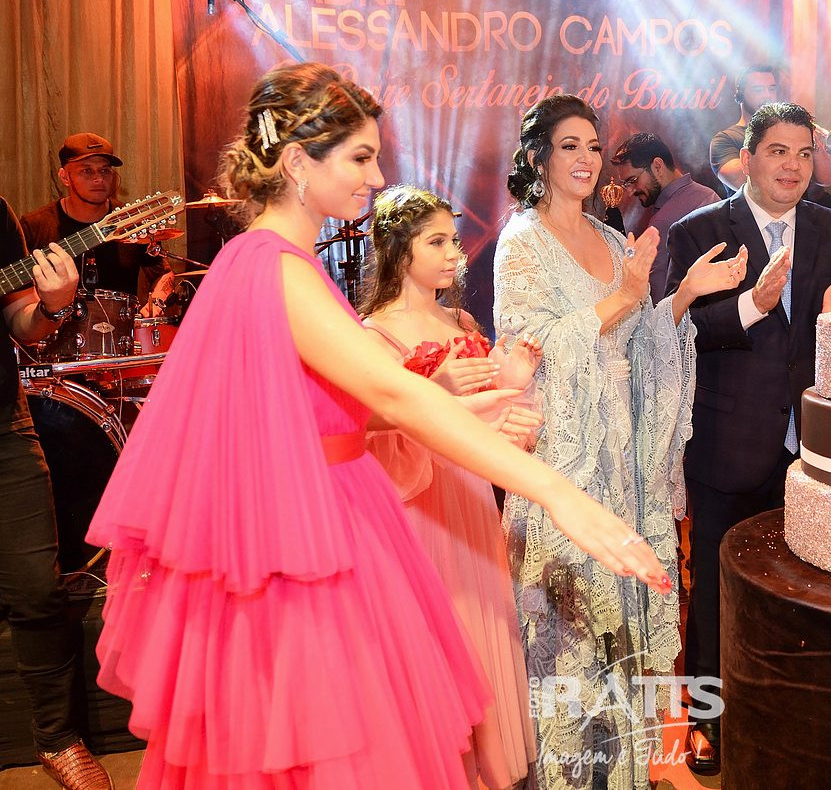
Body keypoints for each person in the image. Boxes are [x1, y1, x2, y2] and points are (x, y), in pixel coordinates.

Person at [84, 64, 669, 788]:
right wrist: (557, 492)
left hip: (328, 519)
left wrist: (471, 410)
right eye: (360, 157)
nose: (378, 175)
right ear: (297, 162)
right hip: (316, 542)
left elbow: (345, 409)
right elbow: (393, 395)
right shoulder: (275, 267)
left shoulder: (265, 261)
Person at [494, 93, 745, 789]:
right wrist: (625, 296)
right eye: (569, 145)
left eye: (593, 146)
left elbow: (637, 345)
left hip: (624, 462)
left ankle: (624, 773)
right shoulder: (521, 241)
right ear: (538, 157)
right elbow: (529, 348)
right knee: (570, 639)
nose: (586, 159)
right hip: (564, 464)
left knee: (621, 635)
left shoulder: (611, 242)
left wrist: (682, 296)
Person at [666, 101, 831, 774]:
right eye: (778, 151)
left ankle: (781, 707)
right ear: (746, 158)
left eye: (804, 153)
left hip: (811, 445)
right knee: (716, 588)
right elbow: (677, 330)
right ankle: (706, 720)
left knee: (800, 585)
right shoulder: (698, 231)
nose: (793, 166)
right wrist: (754, 305)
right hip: (727, 440)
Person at [360, 185, 543, 788]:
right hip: (418, 507)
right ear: (398, 249)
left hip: (468, 499)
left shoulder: (461, 322)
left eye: (454, 241)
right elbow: (366, 432)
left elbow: (485, 418)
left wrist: (514, 380)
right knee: (431, 635)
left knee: (479, 626)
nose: (453, 255)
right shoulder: (373, 334)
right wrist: (433, 391)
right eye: (435, 242)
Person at [0, 205, 112, 790]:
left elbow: (22, 323)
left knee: (37, 589)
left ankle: (57, 738)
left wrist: (51, 304)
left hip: (2, 423)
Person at [21, 133, 169, 306]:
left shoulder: (132, 221)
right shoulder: (34, 225)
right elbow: (18, 294)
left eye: (105, 170)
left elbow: (163, 273)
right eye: (87, 171)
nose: (99, 179)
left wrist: (156, 303)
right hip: (54, 322)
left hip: (121, 322)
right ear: (65, 177)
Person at [611, 132, 719, 301]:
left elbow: (659, 299)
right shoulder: (708, 194)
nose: (630, 191)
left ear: (658, 166)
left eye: (632, 180)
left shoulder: (663, 222)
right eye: (626, 184)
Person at [709, 66, 831, 197]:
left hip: (803, 208)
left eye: (771, 89)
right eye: (758, 90)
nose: (767, 95)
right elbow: (742, 181)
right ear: (740, 95)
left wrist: (811, 137)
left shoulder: (789, 131)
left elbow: (826, 179)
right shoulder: (725, 139)